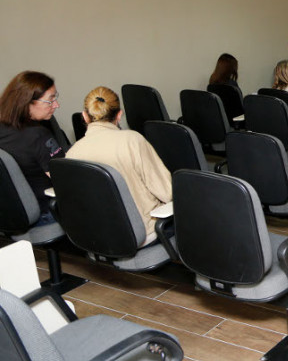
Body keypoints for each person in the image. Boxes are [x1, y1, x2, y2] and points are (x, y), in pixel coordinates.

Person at [65, 87, 172, 244]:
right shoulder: (132, 140)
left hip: (95, 236)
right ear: (120, 115)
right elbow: (167, 192)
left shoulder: (71, 154)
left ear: (85, 117)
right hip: (142, 233)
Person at [0, 71, 65, 223]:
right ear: (27, 101)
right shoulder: (38, 135)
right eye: (50, 99)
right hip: (47, 211)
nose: (56, 105)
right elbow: (65, 180)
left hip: (10, 215)